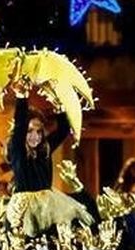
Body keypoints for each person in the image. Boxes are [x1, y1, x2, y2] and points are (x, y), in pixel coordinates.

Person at [7, 93, 92, 236]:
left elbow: (63, 130)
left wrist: (59, 106)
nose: (35, 136)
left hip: (48, 205)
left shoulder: (44, 150)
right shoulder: (18, 150)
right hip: (24, 208)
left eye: (39, 132)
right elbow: (19, 125)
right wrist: (22, 97)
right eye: (30, 131)